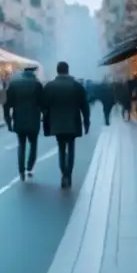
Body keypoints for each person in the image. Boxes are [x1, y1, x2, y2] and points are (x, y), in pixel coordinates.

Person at [42, 61, 91, 189]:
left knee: (61, 148)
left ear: (57, 71)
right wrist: (86, 121)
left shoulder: (50, 86)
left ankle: (63, 173)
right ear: (68, 70)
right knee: (71, 148)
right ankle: (69, 173)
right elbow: (84, 106)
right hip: (73, 122)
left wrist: (46, 120)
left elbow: (44, 106)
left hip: (57, 123)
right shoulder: (77, 86)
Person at [5, 65, 44, 182]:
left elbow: (7, 105)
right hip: (33, 119)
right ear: (33, 72)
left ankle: (21, 171)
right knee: (33, 144)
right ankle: (30, 167)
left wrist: (8, 121)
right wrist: (45, 118)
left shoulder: (14, 84)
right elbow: (43, 103)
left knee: (21, 145)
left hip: (19, 120)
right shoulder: (37, 85)